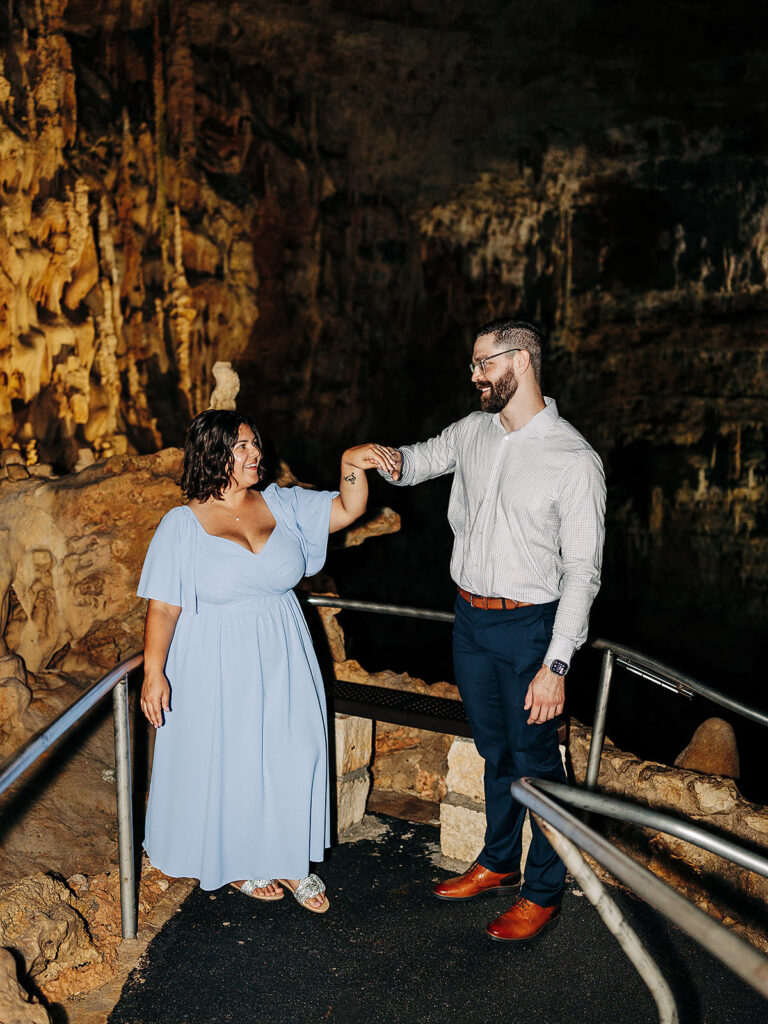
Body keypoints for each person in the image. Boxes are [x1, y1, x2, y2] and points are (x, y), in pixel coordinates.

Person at [375, 318, 605, 942]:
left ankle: (543, 891)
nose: (474, 375)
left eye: (484, 363)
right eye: (473, 364)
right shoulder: (473, 433)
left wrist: (557, 664)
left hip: (531, 627)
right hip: (470, 621)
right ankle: (499, 861)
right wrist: (380, 460)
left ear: (522, 362)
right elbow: (419, 462)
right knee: (495, 751)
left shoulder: (573, 459)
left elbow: (584, 572)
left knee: (537, 764)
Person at [137, 409, 397, 912]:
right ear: (214, 453)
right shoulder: (181, 524)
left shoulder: (283, 502)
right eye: (242, 447)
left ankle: (290, 859)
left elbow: (348, 508)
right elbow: (163, 606)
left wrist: (351, 462)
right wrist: (154, 671)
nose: (256, 453)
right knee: (232, 758)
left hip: (284, 650)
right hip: (213, 656)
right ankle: (238, 862)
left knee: (293, 751)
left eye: (255, 443)